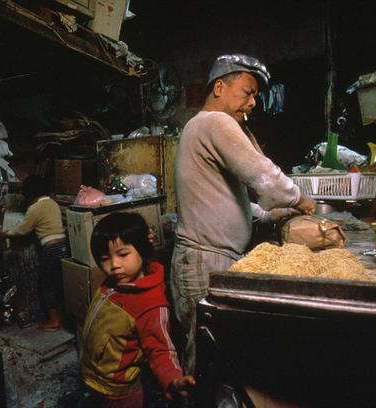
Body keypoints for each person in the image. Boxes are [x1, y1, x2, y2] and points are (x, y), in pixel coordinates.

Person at [171, 54, 316, 375]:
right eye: (247, 92)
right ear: (219, 87)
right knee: (206, 363)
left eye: (255, 96)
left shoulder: (201, 128)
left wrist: (269, 214)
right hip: (204, 261)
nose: (252, 103)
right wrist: (302, 199)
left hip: (207, 258)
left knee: (212, 357)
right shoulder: (214, 122)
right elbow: (261, 173)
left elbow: (227, 201)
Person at [80, 212, 195, 407]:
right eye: (104, 258)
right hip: (93, 379)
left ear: (142, 250)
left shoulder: (150, 304)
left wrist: (172, 379)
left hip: (119, 394)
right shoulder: (113, 284)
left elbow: (161, 350)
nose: (114, 265)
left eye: (123, 254)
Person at [4, 175, 70, 331]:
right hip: (63, 245)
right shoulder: (53, 203)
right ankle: (60, 316)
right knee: (57, 283)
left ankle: (54, 321)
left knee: (46, 285)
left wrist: (6, 232)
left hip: (51, 249)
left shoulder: (34, 208)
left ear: (29, 193)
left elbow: (23, 230)